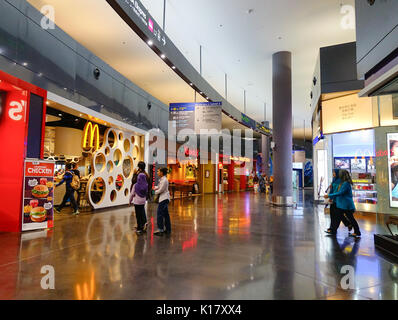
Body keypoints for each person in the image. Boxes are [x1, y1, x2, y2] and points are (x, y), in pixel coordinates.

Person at [324, 169, 361, 238]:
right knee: (338, 217)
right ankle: (334, 229)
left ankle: (357, 231)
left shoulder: (346, 184)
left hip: (346, 205)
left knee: (350, 218)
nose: (334, 174)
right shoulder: (342, 183)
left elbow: (340, 193)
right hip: (341, 204)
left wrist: (329, 196)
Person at [325, 169, 352, 234]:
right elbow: (332, 189)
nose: (333, 174)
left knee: (337, 215)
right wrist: (330, 197)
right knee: (333, 214)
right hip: (334, 199)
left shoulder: (341, 181)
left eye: (334, 172)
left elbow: (338, 191)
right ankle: (346, 224)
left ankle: (334, 229)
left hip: (339, 200)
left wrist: (331, 196)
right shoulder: (334, 179)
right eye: (333, 172)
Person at [154, 167, 171, 236]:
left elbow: (161, 190)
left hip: (164, 199)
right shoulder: (162, 179)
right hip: (163, 198)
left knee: (160, 214)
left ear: (161, 172)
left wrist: (154, 192)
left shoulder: (164, 180)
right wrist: (156, 188)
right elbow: (159, 187)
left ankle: (160, 229)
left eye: (158, 171)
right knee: (166, 215)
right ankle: (168, 229)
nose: (157, 172)